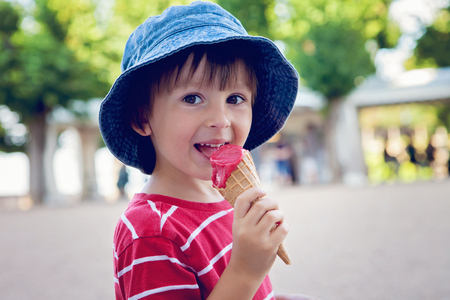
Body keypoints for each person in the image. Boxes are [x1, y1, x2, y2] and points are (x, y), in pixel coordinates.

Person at [99, 2, 298, 300]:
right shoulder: (151, 231)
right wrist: (246, 270)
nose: (221, 120)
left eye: (235, 98)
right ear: (142, 118)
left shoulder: (225, 197)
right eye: (192, 98)